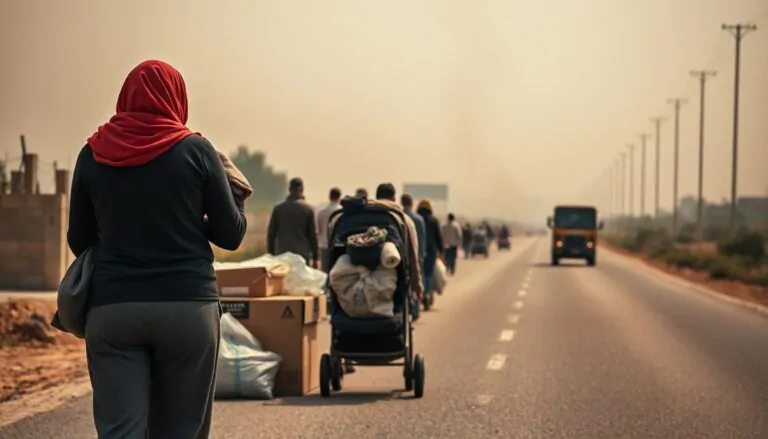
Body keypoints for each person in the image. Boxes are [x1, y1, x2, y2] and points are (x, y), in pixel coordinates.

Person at [68, 60, 247, 439]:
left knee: (120, 431)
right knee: (181, 430)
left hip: (113, 311)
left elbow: (77, 239)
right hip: (187, 311)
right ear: (176, 99)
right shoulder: (197, 151)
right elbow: (231, 235)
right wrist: (236, 197)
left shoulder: (92, 153)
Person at [267, 178, 319, 267]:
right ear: (302, 190)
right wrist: (315, 258)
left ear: (289, 190)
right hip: (302, 255)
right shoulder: (308, 209)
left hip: (282, 254)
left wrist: (271, 254)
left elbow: (271, 233)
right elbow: (313, 236)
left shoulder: (279, 209)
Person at [400, 193, 427, 321]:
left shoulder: (398, 217)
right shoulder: (418, 219)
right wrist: (421, 255)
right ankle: (415, 310)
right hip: (415, 255)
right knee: (415, 281)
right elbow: (421, 239)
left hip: (399, 256)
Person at [416, 199, 444, 303]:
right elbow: (438, 237)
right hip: (431, 251)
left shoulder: (416, 219)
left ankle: (420, 294)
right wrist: (441, 251)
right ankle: (427, 294)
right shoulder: (434, 221)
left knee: (419, 272)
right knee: (428, 273)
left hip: (418, 250)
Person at [316, 187, 342, 272]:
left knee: (324, 272)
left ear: (329, 196)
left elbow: (318, 231)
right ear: (339, 197)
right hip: (338, 245)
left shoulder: (322, 212)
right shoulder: (342, 212)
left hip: (324, 245)